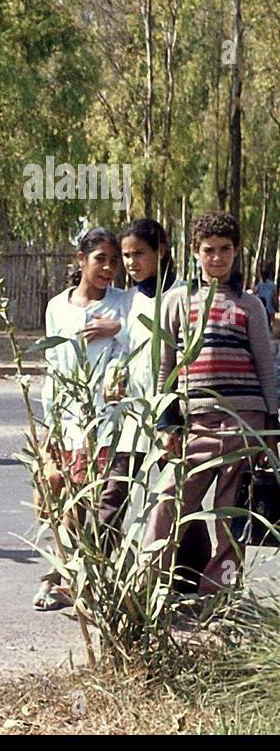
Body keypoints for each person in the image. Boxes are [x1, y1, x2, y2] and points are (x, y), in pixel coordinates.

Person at [143, 212, 278, 596]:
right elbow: (165, 366)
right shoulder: (176, 302)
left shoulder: (249, 305)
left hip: (244, 422)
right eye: (209, 251)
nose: (216, 258)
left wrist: (270, 430)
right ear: (195, 253)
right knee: (169, 498)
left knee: (230, 515)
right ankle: (148, 583)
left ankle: (220, 596)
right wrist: (166, 423)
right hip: (194, 424)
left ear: (236, 252)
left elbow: (266, 369)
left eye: (225, 250)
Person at [33, 228, 127, 611]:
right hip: (69, 422)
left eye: (114, 260)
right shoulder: (58, 307)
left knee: (101, 505)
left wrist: (116, 327)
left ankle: (78, 580)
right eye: (100, 259)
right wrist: (49, 427)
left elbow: (147, 339)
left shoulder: (125, 303)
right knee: (68, 504)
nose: (108, 267)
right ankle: (69, 576)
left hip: (108, 423)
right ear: (81, 261)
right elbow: (54, 367)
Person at [96, 219, 179, 556]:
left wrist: (171, 420)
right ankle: (96, 568)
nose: (131, 263)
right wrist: (114, 373)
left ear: (161, 251)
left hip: (170, 418)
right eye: (126, 256)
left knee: (174, 499)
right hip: (132, 416)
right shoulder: (128, 301)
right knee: (114, 493)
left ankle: (188, 577)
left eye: (139, 254)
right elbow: (124, 349)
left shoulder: (182, 296)